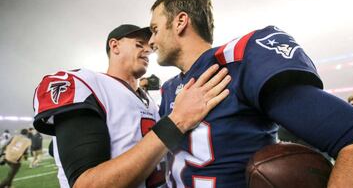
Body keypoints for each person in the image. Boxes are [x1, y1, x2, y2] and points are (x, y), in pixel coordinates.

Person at [148, 0, 353, 187]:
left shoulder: (239, 62)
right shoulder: (169, 89)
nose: (151, 41)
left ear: (180, 22)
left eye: (155, 29)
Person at [32, 24, 230, 188]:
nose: (148, 49)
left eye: (149, 46)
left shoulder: (149, 100)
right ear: (115, 46)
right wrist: (177, 120)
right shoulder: (87, 83)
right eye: (138, 44)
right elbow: (87, 184)